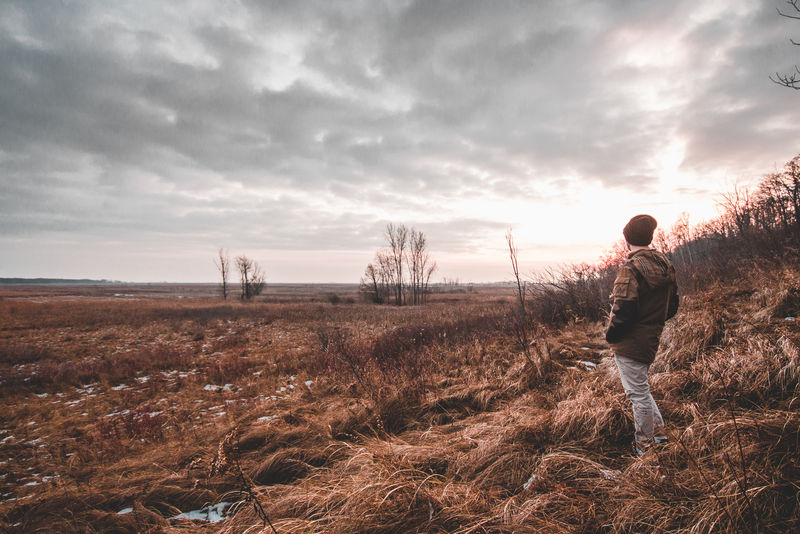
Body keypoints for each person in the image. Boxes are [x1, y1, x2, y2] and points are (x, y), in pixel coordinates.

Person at [605, 214, 679, 456]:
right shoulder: (664, 265)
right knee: (642, 390)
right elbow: (672, 307)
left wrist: (611, 335)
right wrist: (651, 322)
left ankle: (644, 447)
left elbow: (623, 310)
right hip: (651, 337)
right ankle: (659, 434)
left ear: (627, 240)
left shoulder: (631, 268)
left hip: (630, 342)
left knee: (637, 395)